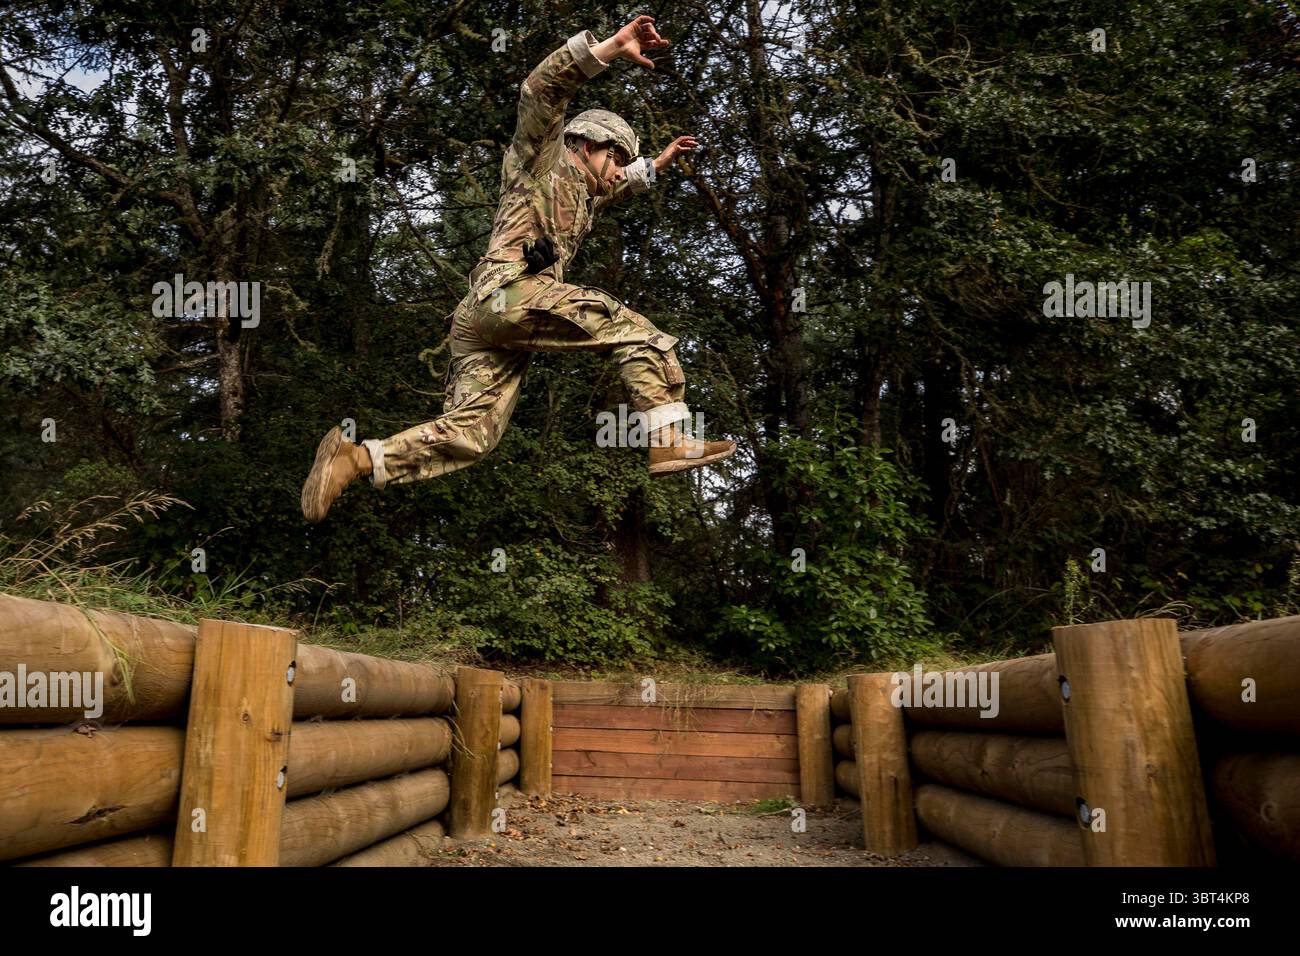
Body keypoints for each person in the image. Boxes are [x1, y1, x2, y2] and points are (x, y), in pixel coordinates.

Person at [302, 15, 736, 523]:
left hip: (484, 320)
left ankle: (355, 459)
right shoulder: (542, 159)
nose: (620, 173)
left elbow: (617, 185)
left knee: (472, 434)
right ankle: (668, 438)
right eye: (619, 159)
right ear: (591, 147)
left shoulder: (587, 193)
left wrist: (654, 166)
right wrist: (611, 48)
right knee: (635, 330)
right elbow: (539, 92)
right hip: (505, 296)